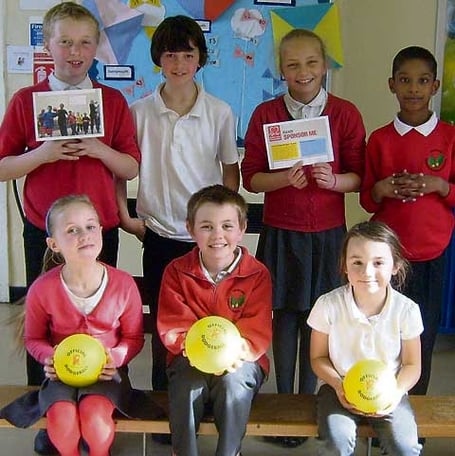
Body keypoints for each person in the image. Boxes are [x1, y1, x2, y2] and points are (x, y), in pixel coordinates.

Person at [0, 2, 140, 453]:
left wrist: (98, 148)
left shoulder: (112, 102)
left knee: (103, 321)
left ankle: (103, 411)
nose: (75, 52)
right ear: (48, 45)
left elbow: (130, 167)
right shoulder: (26, 101)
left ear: (97, 46)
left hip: (99, 232)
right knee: (42, 321)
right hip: (44, 230)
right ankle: (49, 415)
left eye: (84, 42)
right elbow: (3, 166)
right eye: (65, 42)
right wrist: (41, 154)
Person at [241, 28, 365, 448]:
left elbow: (360, 177)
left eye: (311, 62)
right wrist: (281, 179)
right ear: (281, 70)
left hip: (328, 234)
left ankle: (309, 403)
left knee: (319, 318)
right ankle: (284, 402)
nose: (303, 71)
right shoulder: (266, 114)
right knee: (284, 316)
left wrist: (335, 181)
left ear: (325, 65)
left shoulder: (345, 113)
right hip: (281, 231)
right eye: (292, 64)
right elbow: (251, 178)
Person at [116, 14, 239, 418]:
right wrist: (125, 217)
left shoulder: (220, 112)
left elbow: (230, 171)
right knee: (162, 323)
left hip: (206, 242)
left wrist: (225, 228)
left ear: (200, 58)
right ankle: (164, 401)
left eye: (188, 55)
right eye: (170, 55)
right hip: (158, 235)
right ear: (158, 59)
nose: (179, 64)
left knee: (210, 319)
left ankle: (208, 399)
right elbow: (122, 169)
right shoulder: (139, 112)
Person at [0, 195, 161, 456]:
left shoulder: (123, 284)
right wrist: (50, 356)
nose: (84, 235)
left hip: (106, 374)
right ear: (54, 244)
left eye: (90, 226)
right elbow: (33, 339)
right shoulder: (43, 288)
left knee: (95, 417)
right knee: (62, 418)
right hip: (62, 374)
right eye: (72, 230)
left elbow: (133, 337)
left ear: (100, 231)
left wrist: (115, 357)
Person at [360, 46, 455, 397]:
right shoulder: (380, 139)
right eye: (405, 80)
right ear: (392, 85)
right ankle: (380, 401)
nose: (413, 89)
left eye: (422, 81)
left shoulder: (449, 137)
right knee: (385, 332)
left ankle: (414, 409)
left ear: (435, 86)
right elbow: (367, 198)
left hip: (432, 253)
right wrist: (382, 189)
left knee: (422, 335)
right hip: (388, 256)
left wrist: (440, 185)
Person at [157, 184, 272, 456]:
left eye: (227, 226)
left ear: (242, 229)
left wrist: (235, 354)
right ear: (190, 229)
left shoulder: (257, 274)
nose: (218, 235)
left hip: (241, 361)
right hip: (189, 358)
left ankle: (230, 452)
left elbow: (257, 329)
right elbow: (173, 324)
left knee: (233, 384)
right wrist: (196, 352)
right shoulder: (176, 271)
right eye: (206, 226)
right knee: (188, 386)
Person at [307, 221, 423, 455]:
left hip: (389, 388)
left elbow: (413, 364)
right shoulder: (328, 305)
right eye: (357, 262)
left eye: (378, 263)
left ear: (395, 265)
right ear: (344, 265)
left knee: (404, 446)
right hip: (337, 388)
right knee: (337, 442)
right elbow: (318, 358)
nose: (367, 272)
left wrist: (395, 393)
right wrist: (339, 386)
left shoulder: (407, 310)